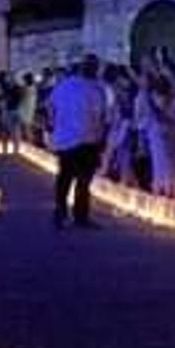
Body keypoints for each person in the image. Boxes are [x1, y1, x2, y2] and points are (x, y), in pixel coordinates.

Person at [49, 54, 110, 229]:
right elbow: (101, 115)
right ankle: (80, 216)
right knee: (83, 180)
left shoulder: (63, 85)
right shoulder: (97, 89)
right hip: (88, 139)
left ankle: (60, 213)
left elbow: (50, 106)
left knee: (65, 177)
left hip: (65, 139)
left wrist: (55, 125)